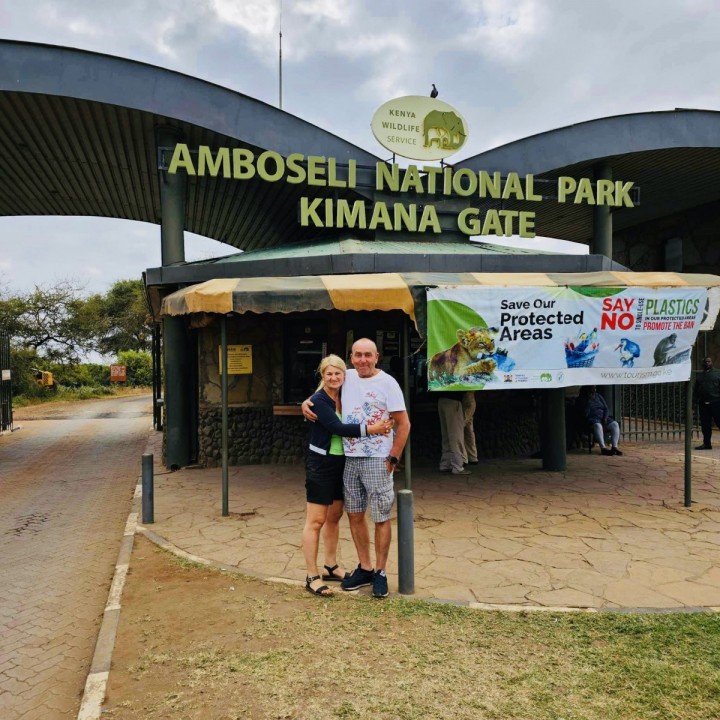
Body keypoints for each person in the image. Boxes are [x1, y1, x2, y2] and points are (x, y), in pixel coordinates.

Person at [302, 338, 410, 598]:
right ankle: (365, 567)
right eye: (358, 355)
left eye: (368, 355)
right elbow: (325, 386)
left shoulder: (388, 383)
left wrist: (393, 458)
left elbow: (403, 424)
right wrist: (305, 403)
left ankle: (380, 572)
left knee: (381, 516)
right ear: (351, 357)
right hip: (349, 461)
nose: (363, 360)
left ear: (377, 356)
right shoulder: (346, 376)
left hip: (377, 460)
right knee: (354, 515)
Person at [578, 385, 622, 456]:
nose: (595, 390)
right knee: (598, 425)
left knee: (615, 424)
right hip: (593, 419)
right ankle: (603, 448)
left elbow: (606, 408)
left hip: (603, 418)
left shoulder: (598, 396)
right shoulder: (583, 399)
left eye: (595, 388)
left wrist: (605, 417)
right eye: (593, 388)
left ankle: (614, 447)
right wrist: (589, 402)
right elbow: (585, 414)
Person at [437, 392, 471, 475]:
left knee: (446, 435)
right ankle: (457, 466)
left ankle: (445, 463)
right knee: (456, 435)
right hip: (454, 401)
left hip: (442, 400)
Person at [694, 356, 720, 450]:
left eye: (709, 361)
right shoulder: (700, 376)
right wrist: (696, 401)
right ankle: (707, 444)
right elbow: (696, 390)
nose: (707, 363)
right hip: (703, 403)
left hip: (716, 402)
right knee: (705, 425)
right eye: (705, 362)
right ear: (703, 363)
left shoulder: (718, 373)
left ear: (711, 362)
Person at [462, 391, 478, 466]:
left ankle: (464, 458)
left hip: (466, 400)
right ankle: (472, 457)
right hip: (469, 399)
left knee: (461, 429)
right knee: (469, 431)